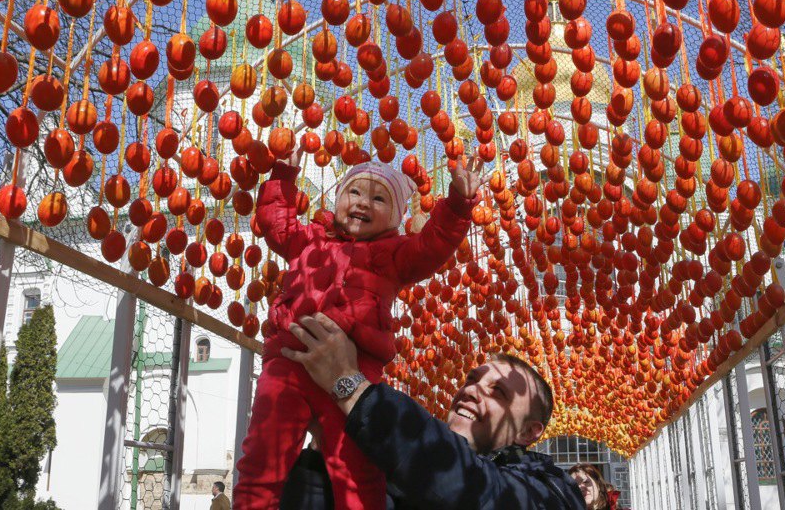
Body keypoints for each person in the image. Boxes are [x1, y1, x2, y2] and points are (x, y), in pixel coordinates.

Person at [233, 150, 484, 509]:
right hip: (290, 362)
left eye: (378, 198)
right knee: (262, 459)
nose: (363, 202)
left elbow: (434, 245)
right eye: (354, 193)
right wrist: (283, 172)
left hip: (354, 375)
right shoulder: (309, 240)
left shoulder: (396, 254)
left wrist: (458, 204)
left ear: (395, 216)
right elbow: (276, 221)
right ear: (337, 200)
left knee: (357, 470)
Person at [281, 313, 587, 509]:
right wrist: (327, 452)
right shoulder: (401, 468)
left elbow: (480, 493)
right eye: (472, 379)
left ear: (529, 431)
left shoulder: (554, 490)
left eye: (499, 392)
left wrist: (351, 389)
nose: (471, 390)